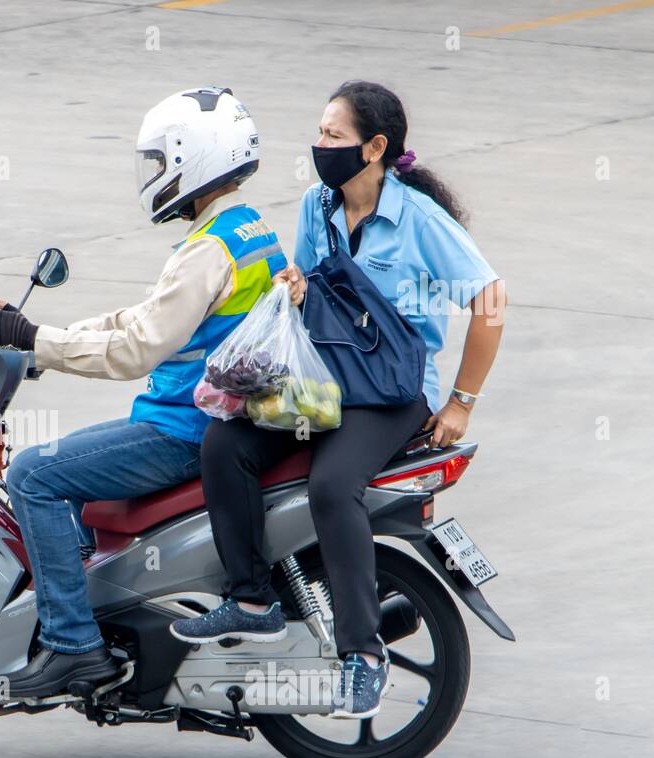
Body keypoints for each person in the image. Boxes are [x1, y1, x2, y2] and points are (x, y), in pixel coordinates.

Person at [171, 80, 506, 718]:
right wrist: (295, 286)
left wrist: (461, 402)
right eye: (320, 132)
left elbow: (491, 303)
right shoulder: (315, 206)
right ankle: (250, 601)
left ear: (375, 148)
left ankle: (364, 654)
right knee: (224, 444)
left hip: (390, 394)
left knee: (332, 486)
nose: (319, 145)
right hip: (324, 380)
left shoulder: (420, 222)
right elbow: (314, 295)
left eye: (334, 135)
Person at [0, 86, 287, 699]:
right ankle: (103, 613)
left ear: (193, 157)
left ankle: (74, 646)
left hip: (181, 430)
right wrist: (40, 341)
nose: (154, 176)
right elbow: (145, 319)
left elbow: (137, 349)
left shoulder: (206, 251)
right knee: (64, 475)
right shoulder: (248, 230)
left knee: (34, 474)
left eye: (159, 161)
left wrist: (36, 340)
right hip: (221, 420)